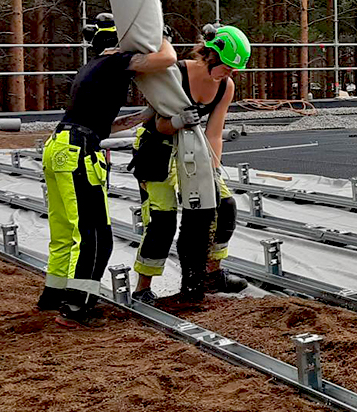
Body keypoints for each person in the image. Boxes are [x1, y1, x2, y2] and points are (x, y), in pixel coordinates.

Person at [39, 17, 177, 321]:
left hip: (59, 145)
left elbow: (102, 125)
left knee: (64, 233)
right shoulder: (117, 62)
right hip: (78, 153)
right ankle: (77, 304)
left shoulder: (92, 67)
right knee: (98, 236)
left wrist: (145, 115)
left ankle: (53, 295)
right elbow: (167, 58)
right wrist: (161, 35)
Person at [129, 24, 250, 303]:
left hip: (194, 148)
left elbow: (215, 133)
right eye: (227, 67)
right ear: (210, 55)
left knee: (224, 205)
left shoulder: (225, 87)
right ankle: (142, 287)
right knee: (162, 219)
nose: (231, 74)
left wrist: (214, 170)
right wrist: (178, 121)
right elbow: (157, 124)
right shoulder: (174, 74)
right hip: (157, 148)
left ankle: (212, 272)